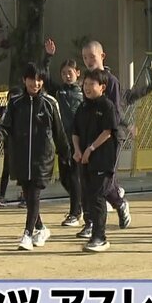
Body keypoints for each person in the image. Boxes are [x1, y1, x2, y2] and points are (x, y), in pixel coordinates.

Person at [0, 63, 71, 251]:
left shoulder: (50, 103)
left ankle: (27, 234)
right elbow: (5, 126)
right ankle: (41, 229)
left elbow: (59, 132)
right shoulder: (15, 103)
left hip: (42, 158)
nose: (36, 83)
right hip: (20, 158)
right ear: (24, 80)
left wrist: (66, 153)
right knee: (28, 196)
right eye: (32, 79)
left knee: (33, 193)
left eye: (39, 79)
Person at [80, 40, 133, 232]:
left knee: (103, 181)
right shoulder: (86, 81)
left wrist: (122, 127)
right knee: (87, 180)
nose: (88, 61)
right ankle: (90, 221)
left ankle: (119, 204)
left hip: (109, 137)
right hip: (90, 137)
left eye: (92, 57)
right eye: (85, 57)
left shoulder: (111, 81)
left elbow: (115, 112)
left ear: (102, 56)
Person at [72, 69, 118, 252]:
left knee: (98, 197)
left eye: (92, 84)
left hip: (102, 159)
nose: (87, 87)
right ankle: (91, 229)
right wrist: (77, 150)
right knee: (88, 196)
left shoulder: (107, 106)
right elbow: (75, 132)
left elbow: (107, 132)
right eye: (85, 84)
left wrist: (90, 149)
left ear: (102, 87)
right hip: (84, 160)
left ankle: (100, 237)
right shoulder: (82, 107)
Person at [43, 39, 84, 228]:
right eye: (64, 73)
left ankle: (75, 212)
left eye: (70, 72)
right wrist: (48, 57)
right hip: (62, 141)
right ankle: (80, 203)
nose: (67, 76)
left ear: (77, 73)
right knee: (65, 179)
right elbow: (44, 77)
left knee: (74, 177)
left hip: (78, 141)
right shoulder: (58, 92)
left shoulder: (83, 92)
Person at [0, 86, 23, 207]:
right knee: (6, 171)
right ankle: (2, 196)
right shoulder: (5, 110)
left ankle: (24, 196)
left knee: (22, 172)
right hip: (9, 146)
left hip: (21, 146)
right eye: (10, 98)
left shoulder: (23, 111)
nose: (12, 100)